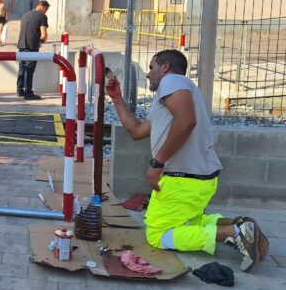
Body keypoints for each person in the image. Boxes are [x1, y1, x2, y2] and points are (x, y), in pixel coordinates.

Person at [106, 49, 268, 272]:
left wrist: (158, 163)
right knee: (187, 223)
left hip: (182, 181)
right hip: (197, 181)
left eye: (152, 67)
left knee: (157, 235)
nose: (148, 74)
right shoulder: (166, 100)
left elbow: (186, 121)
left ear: (165, 67)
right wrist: (117, 99)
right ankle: (237, 225)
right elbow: (136, 131)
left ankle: (235, 233)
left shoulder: (172, 81)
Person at [16, 0, 49, 100]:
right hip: (32, 47)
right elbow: (44, 35)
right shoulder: (42, 17)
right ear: (43, 7)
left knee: (22, 69)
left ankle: (19, 90)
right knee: (29, 70)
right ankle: (28, 93)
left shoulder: (25, 15)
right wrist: (41, 42)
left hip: (21, 45)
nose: (45, 12)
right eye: (46, 9)